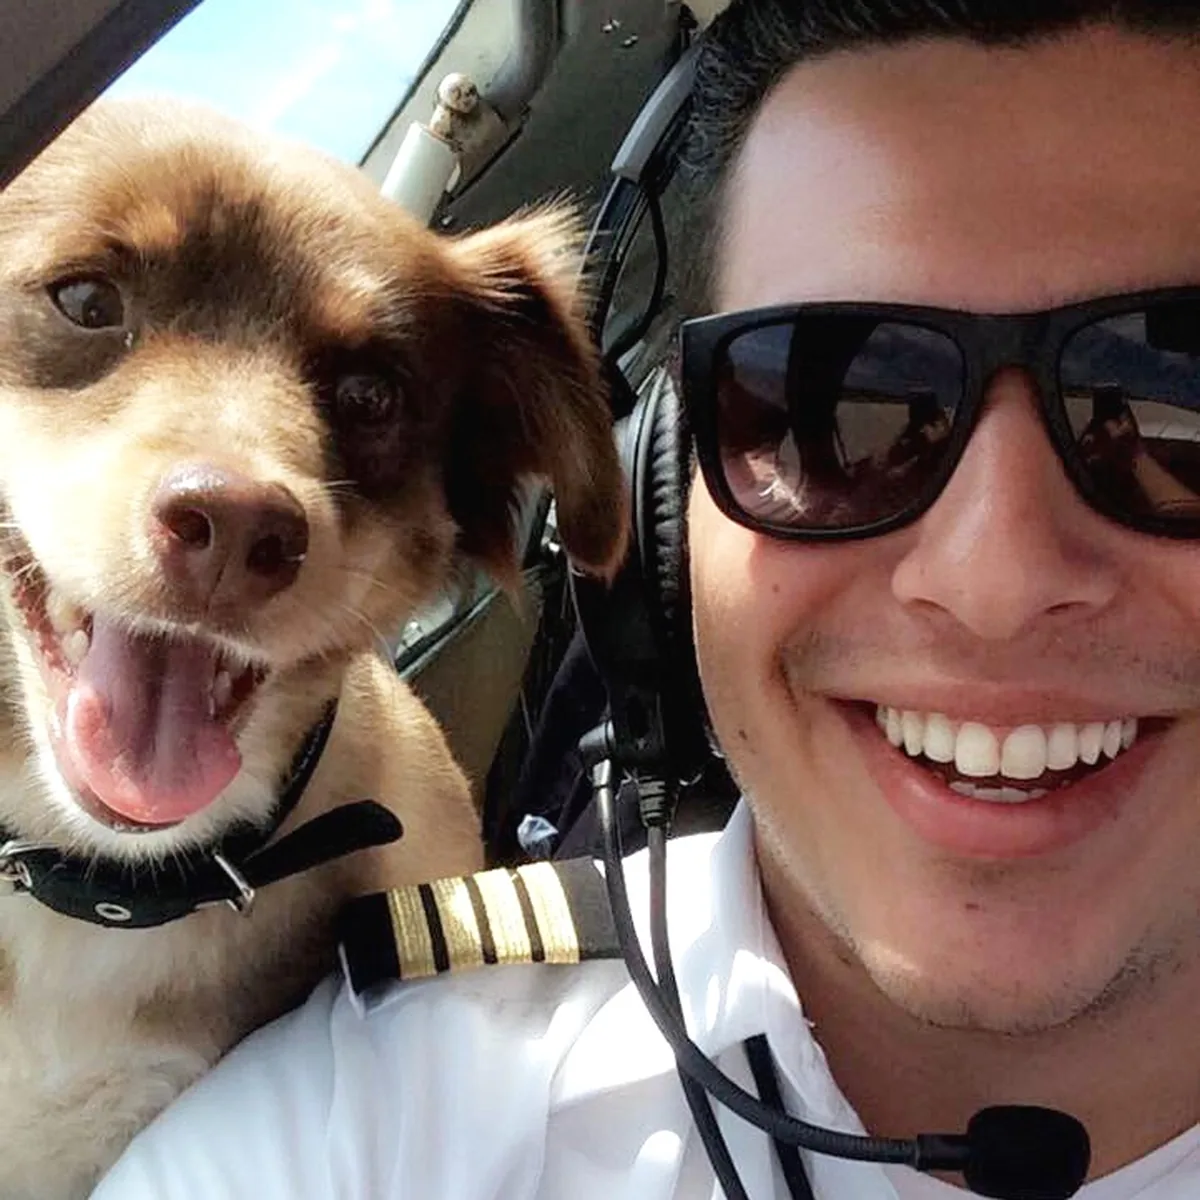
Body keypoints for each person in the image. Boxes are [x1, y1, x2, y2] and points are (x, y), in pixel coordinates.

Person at [92, 1, 1200, 1195]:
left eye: (1178, 402)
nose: (997, 582)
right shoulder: (351, 1144)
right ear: (662, 500)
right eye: (827, 414)